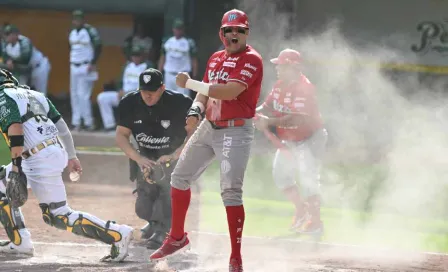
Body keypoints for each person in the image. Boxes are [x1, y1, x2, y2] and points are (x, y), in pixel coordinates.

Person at [149, 9, 264, 272]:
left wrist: (189, 84)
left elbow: (229, 91)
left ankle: (236, 257)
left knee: (231, 192)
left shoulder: (252, 59)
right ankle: (177, 237)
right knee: (179, 177)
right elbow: (205, 92)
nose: (234, 35)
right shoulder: (215, 58)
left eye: (240, 30)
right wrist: (194, 110)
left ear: (247, 34)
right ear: (221, 33)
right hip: (209, 125)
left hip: (236, 130)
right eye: (229, 30)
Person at [0, 69, 133, 261]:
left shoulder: (4, 96)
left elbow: (15, 129)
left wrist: (15, 167)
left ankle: (117, 234)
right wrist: (72, 155)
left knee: (58, 215)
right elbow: (61, 126)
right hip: (49, 151)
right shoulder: (35, 94)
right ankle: (19, 242)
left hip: (38, 158)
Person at [115, 68, 195, 249]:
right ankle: (153, 223)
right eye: (144, 91)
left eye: (152, 92)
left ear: (162, 88)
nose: (147, 96)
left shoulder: (181, 103)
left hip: (173, 156)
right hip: (145, 157)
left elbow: (194, 134)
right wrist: (139, 158)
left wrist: (174, 155)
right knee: (143, 205)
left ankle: (163, 229)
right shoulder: (129, 102)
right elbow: (121, 136)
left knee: (167, 192)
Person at [254, 49, 328, 234]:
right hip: (290, 138)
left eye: (283, 65)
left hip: (310, 137)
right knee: (281, 175)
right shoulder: (280, 85)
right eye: (278, 65)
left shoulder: (305, 87)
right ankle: (302, 211)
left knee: (308, 177)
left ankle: (316, 223)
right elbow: (268, 105)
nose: (278, 68)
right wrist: (254, 111)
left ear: (294, 67)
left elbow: (298, 119)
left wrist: (268, 122)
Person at [97, 45, 154, 131]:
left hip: (138, 97)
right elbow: (120, 81)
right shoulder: (127, 65)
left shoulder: (147, 67)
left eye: (138, 55)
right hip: (124, 94)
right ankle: (110, 125)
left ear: (142, 56)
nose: (135, 58)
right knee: (102, 97)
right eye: (134, 55)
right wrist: (120, 90)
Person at [69, 9, 102, 131]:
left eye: (79, 19)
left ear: (83, 20)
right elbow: (72, 49)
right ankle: (76, 122)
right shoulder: (72, 32)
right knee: (74, 94)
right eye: (75, 19)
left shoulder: (90, 31)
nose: (77, 21)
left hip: (86, 66)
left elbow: (98, 46)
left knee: (84, 95)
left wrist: (93, 62)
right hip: (73, 65)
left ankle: (88, 122)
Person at [1, 25, 51, 94]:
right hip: (25, 70)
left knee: (40, 93)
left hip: (39, 67)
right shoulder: (5, 43)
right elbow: (4, 55)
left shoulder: (24, 41)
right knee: (26, 92)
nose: (7, 36)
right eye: (6, 34)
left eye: (9, 34)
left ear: (16, 34)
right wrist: (7, 61)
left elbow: (25, 58)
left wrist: (12, 61)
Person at [157, 19, 198, 97]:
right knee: (168, 97)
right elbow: (162, 57)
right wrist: (159, 72)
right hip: (169, 73)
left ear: (183, 30)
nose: (178, 31)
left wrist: (194, 74)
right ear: (173, 29)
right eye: (176, 29)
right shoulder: (167, 41)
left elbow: (193, 59)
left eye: (180, 29)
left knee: (183, 98)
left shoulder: (189, 42)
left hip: (183, 75)